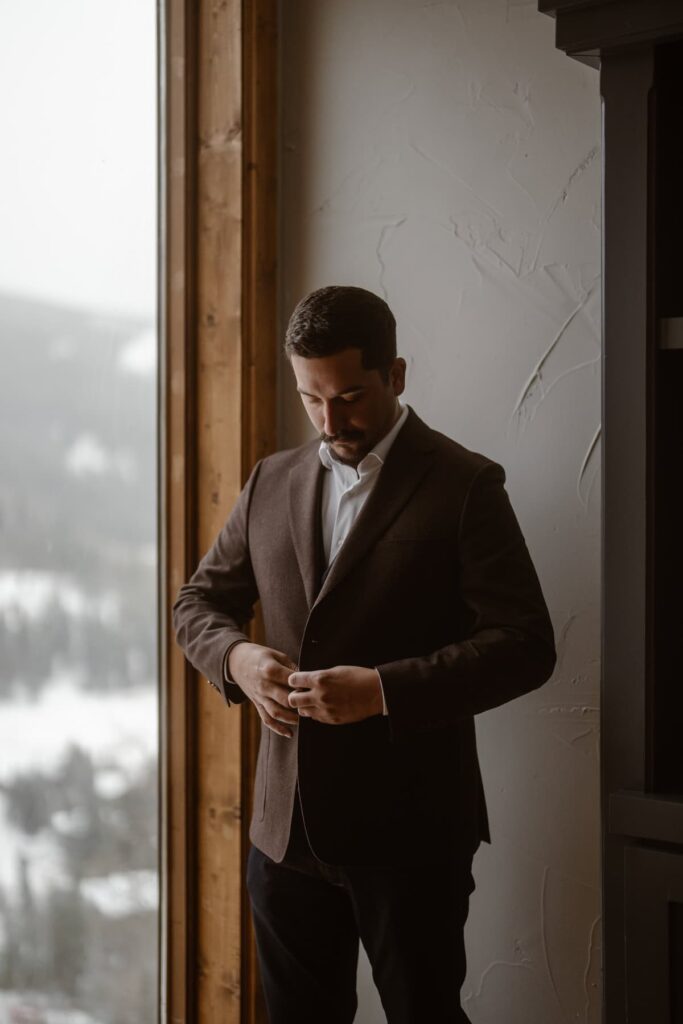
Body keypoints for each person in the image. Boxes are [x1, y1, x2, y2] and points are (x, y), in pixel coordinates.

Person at [173, 285, 556, 1024]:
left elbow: (524, 645)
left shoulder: (466, 485)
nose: (329, 421)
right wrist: (240, 662)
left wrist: (381, 690)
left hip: (411, 833)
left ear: (397, 374)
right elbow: (197, 604)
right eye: (311, 399)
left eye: (348, 396)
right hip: (283, 835)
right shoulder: (270, 480)